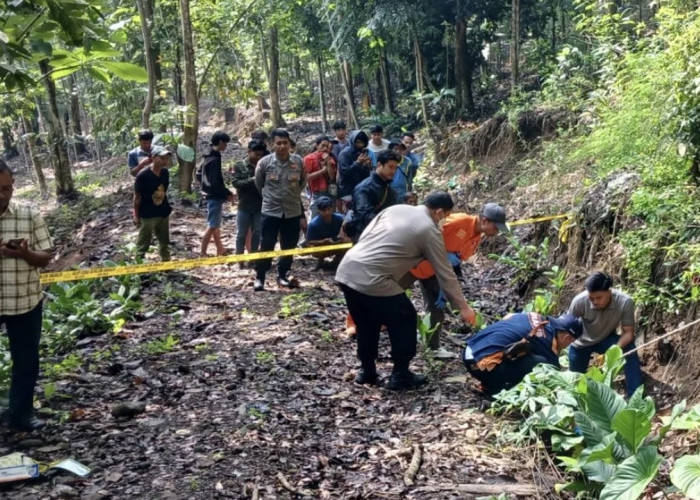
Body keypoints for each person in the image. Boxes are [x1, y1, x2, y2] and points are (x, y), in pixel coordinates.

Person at [335, 191, 478, 390]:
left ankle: (367, 371)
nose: (444, 221)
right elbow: (445, 272)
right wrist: (463, 308)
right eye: (444, 216)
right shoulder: (429, 229)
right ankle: (400, 375)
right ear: (438, 212)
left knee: (367, 323)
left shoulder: (395, 209)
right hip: (374, 279)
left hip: (347, 270)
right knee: (406, 319)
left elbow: (367, 234)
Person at [401, 203, 508, 357]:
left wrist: (446, 288)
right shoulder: (457, 221)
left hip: (434, 272)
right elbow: (424, 232)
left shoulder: (476, 238)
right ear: (484, 221)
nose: (497, 232)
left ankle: (432, 347)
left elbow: (455, 264)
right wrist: (443, 253)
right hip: (413, 264)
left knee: (437, 310)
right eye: (496, 228)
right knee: (386, 294)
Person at [0, 160, 53, 431]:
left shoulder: (28, 214)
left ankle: (20, 415)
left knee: (26, 362)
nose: (2, 195)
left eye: (7, 188)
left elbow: (46, 258)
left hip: (24, 300)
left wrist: (24, 254)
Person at [463, 313, 582, 395]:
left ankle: (491, 375)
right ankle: (494, 388)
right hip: (478, 365)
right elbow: (554, 378)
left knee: (521, 350)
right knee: (542, 365)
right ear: (567, 338)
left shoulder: (535, 316)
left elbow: (509, 316)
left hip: (469, 349)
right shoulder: (548, 346)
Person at [567, 272, 643, 397]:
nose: (595, 301)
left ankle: (635, 397)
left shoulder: (625, 302)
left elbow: (628, 333)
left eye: (599, 297)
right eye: (591, 298)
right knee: (575, 380)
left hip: (605, 340)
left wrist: (613, 352)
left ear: (609, 292)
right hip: (581, 343)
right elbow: (567, 327)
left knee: (629, 349)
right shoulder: (579, 302)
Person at [254, 128, 307, 291]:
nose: (282, 146)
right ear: (272, 144)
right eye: (279, 143)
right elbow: (259, 184)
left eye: (285, 143)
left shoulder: (298, 162)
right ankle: (260, 277)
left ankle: (282, 275)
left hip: (292, 211)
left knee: (289, 245)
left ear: (289, 144)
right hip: (271, 211)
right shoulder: (264, 163)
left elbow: (302, 182)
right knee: (267, 244)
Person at [346, 149, 400, 242]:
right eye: (390, 167)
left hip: (384, 233)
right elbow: (365, 215)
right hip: (365, 235)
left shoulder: (388, 186)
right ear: (379, 164)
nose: (393, 171)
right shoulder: (364, 188)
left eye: (395, 168)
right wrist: (388, 222)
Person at [198, 131, 234, 257]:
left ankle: (220, 249)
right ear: (220, 142)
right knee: (212, 225)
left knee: (215, 224)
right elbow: (215, 181)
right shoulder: (214, 158)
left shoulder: (209, 155)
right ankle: (203, 252)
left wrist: (204, 186)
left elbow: (199, 173)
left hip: (210, 194)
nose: (226, 146)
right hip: (214, 195)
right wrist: (227, 193)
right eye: (225, 143)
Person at [134, 146, 173, 261]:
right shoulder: (143, 175)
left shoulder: (165, 173)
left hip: (162, 211)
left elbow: (163, 191)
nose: (164, 161)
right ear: (153, 158)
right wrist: (136, 215)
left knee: (164, 241)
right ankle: (138, 266)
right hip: (148, 213)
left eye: (166, 158)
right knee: (143, 241)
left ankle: (166, 264)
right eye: (161, 158)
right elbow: (137, 197)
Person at [232, 140, 266, 258]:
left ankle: (253, 256)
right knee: (241, 233)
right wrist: (251, 180)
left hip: (259, 204)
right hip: (244, 205)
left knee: (257, 232)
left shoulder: (263, 166)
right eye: (256, 154)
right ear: (249, 152)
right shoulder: (239, 166)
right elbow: (236, 183)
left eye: (260, 155)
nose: (258, 157)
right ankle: (239, 258)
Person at [305, 196, 349, 270]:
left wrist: (342, 235)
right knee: (315, 249)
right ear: (319, 210)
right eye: (324, 210)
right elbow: (309, 241)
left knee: (348, 242)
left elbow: (347, 224)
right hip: (322, 245)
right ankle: (320, 261)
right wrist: (324, 241)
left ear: (332, 208)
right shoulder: (313, 224)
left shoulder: (339, 218)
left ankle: (335, 263)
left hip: (337, 243)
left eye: (329, 209)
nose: (327, 213)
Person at [304, 135, 338, 217]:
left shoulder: (329, 157)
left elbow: (332, 177)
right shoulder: (309, 158)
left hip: (330, 192)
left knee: (330, 217)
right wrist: (322, 171)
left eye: (327, 146)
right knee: (316, 217)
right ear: (316, 145)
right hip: (317, 193)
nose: (325, 148)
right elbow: (307, 177)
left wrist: (328, 162)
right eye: (322, 145)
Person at [337, 130, 372, 208]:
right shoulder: (345, 153)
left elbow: (365, 175)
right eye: (358, 142)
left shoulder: (363, 153)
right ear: (353, 142)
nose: (360, 145)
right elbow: (345, 173)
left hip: (360, 189)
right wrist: (357, 163)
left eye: (362, 143)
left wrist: (366, 166)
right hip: (348, 191)